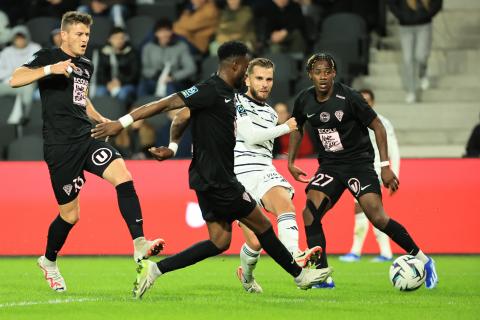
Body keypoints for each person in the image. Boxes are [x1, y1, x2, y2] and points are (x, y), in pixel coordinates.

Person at [91, 41, 332, 298]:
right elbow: (167, 104)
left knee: (219, 241)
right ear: (237, 66)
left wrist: (173, 147)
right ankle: (300, 274)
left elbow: (182, 117)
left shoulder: (225, 93)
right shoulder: (211, 90)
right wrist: (122, 122)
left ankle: (155, 270)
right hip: (220, 179)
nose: (248, 75)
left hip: (204, 178)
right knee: (262, 226)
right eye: (246, 69)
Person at [9, 11, 164, 293]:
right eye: (79, 34)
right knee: (70, 216)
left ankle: (139, 243)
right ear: (64, 35)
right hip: (60, 148)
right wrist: (49, 70)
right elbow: (15, 79)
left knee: (123, 175)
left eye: (87, 35)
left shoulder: (85, 65)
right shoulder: (48, 57)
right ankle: (49, 260)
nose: (84, 39)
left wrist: (100, 118)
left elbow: (82, 97)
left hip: (86, 138)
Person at [165, 58, 323, 293]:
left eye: (269, 79)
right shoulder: (234, 101)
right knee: (256, 242)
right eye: (259, 78)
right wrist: (286, 127)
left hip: (264, 171)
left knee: (285, 204)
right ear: (247, 79)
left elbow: (265, 146)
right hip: (236, 175)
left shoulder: (270, 112)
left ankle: (295, 254)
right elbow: (250, 136)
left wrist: (288, 161)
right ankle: (246, 276)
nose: (264, 84)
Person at [288, 52, 438, 289]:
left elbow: (378, 126)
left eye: (327, 71)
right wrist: (291, 161)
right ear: (310, 75)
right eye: (317, 72)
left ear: (334, 73)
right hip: (330, 166)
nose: (323, 76)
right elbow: (297, 126)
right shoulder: (304, 100)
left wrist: (385, 166)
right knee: (309, 214)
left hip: (359, 164)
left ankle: (424, 260)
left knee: (377, 218)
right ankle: (322, 275)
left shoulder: (349, 97)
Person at [339, 88, 400, 263]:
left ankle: (364, 252)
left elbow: (394, 149)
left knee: (369, 211)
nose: (364, 103)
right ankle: (376, 252)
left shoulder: (382, 122)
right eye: (361, 100)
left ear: (372, 103)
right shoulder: (351, 120)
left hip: (376, 170)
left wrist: (393, 172)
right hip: (360, 170)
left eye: (367, 100)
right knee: (368, 211)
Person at [387, 0, 443, 103]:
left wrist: (427, 14)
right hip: (405, 26)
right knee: (407, 60)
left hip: (424, 24)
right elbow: (391, 3)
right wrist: (401, 15)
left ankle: (423, 72)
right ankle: (411, 91)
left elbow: (437, 3)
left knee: (421, 56)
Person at [137, 18, 196, 98]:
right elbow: (145, 69)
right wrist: (156, 74)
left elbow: (190, 68)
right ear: (156, 33)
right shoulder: (148, 47)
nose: (164, 34)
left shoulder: (181, 46)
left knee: (170, 86)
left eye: (167, 30)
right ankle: (139, 107)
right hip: (155, 79)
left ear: (171, 32)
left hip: (174, 81)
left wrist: (173, 77)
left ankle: (171, 109)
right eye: (160, 31)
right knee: (143, 84)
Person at [95, 26, 139, 106]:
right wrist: (108, 83)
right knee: (99, 93)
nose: (119, 41)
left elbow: (134, 74)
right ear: (109, 39)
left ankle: (119, 115)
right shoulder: (104, 52)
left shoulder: (131, 52)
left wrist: (120, 81)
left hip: (125, 84)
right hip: (107, 84)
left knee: (122, 94)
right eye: (115, 38)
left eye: (121, 38)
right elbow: (100, 73)